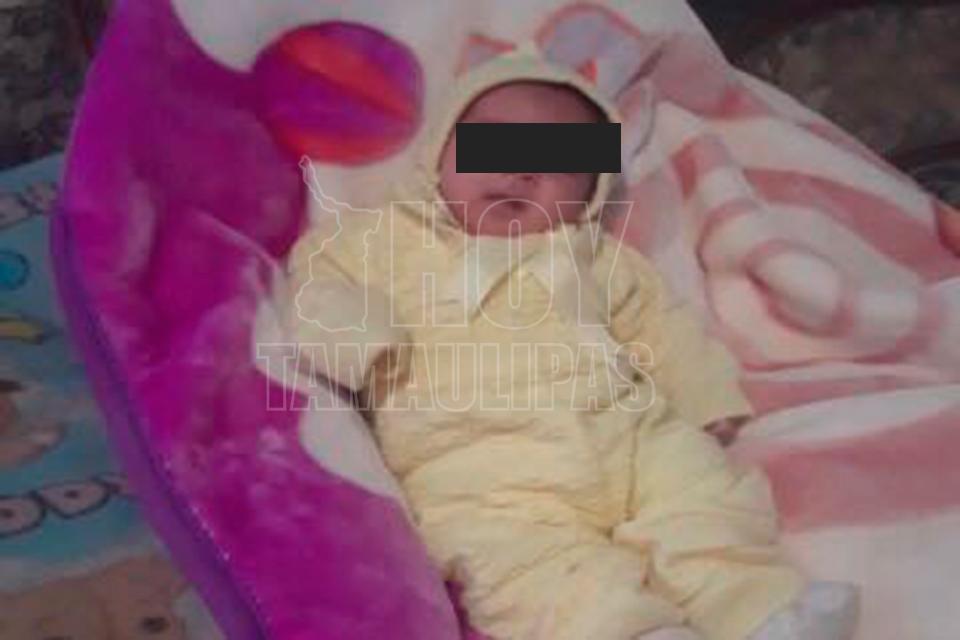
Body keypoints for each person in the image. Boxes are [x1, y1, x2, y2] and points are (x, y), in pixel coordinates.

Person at [280, 51, 858, 640]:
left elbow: (660, 325)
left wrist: (704, 396)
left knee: (707, 500)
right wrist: (358, 337)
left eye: (555, 162)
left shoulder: (594, 257)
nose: (520, 171)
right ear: (440, 150)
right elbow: (315, 289)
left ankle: (760, 612)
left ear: (588, 193)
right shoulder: (378, 241)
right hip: (482, 471)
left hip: (628, 438)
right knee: (530, 575)